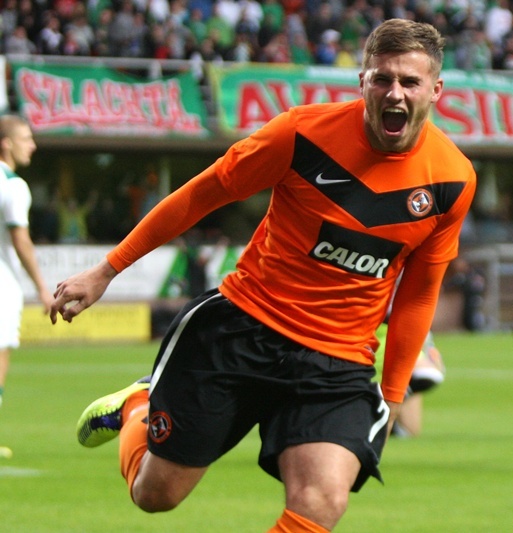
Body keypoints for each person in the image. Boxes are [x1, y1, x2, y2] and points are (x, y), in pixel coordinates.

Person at [49, 19, 476, 532]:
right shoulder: (301, 134)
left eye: (409, 82)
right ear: (361, 82)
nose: (395, 92)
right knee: (155, 495)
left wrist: (390, 396)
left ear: (436, 90)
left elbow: (419, 291)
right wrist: (106, 270)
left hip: (335, 359)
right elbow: (200, 196)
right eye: (383, 78)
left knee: (322, 500)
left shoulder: (453, 178)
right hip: (242, 329)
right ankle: (138, 403)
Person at [0, 115, 53, 439]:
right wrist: (43, 289)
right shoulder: (14, 186)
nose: (32, 145)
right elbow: (21, 240)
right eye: (25, 138)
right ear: (6, 143)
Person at [373, 322, 445, 438]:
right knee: (428, 372)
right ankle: (375, 404)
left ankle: (383, 411)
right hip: (371, 339)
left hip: (401, 332)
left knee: (409, 432)